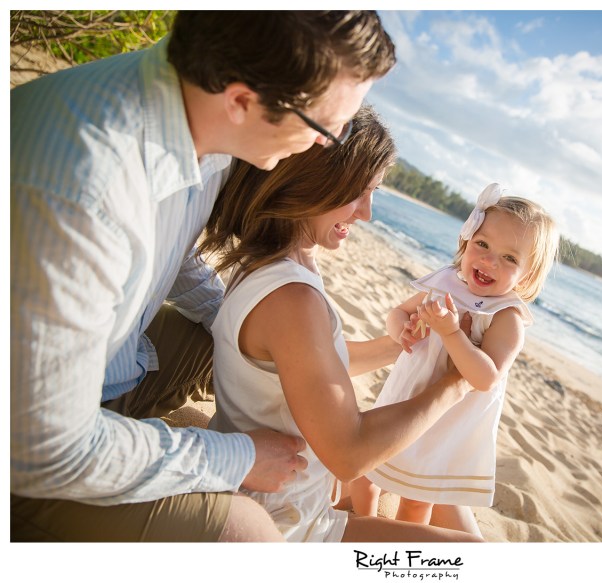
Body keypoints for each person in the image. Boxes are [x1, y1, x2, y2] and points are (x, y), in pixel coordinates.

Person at [10, 11, 396, 542]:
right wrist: (237, 456)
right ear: (241, 101)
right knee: (248, 534)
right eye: (327, 130)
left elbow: (167, 252)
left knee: (214, 337)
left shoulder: (201, 124)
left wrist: (248, 327)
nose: (329, 150)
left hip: (104, 371)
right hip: (27, 460)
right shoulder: (84, 191)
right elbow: (45, 450)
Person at [200, 105, 481, 542]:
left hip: (289, 499)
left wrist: (396, 347)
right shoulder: (291, 298)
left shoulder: (277, 257)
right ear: (315, 182)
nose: (367, 213)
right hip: (285, 522)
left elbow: (311, 366)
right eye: (359, 192)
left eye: (374, 192)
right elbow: (349, 454)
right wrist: (453, 385)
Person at [350, 183, 560, 526]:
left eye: (509, 258)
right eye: (482, 244)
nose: (490, 260)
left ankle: (399, 546)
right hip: (403, 397)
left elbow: (485, 377)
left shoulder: (506, 318)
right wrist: (400, 328)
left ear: (528, 274)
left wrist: (451, 333)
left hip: (444, 420)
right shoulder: (445, 282)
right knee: (364, 475)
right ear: (465, 242)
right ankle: (365, 526)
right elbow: (397, 313)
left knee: (416, 501)